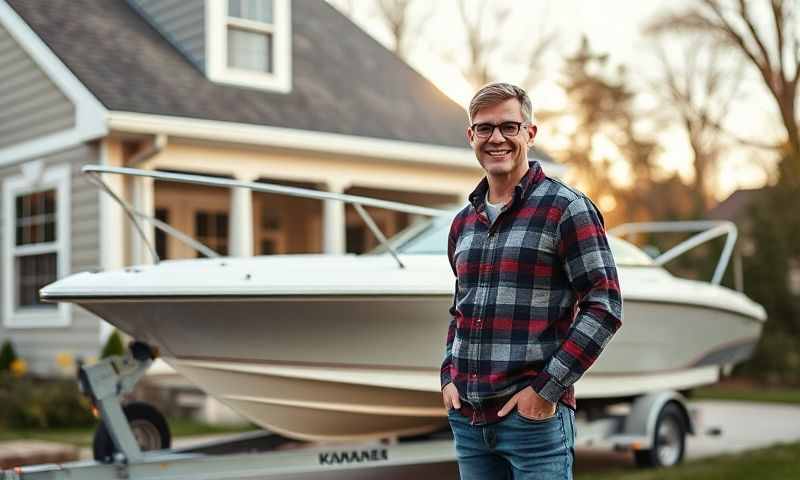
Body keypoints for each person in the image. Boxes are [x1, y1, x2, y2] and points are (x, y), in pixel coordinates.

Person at [441, 82, 623, 480]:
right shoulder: (463, 224)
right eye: (485, 128)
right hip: (469, 422)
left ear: (530, 133)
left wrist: (545, 390)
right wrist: (447, 378)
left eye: (509, 126)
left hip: (534, 425)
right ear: (471, 136)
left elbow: (604, 305)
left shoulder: (567, 209)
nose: (497, 138)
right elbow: (461, 309)